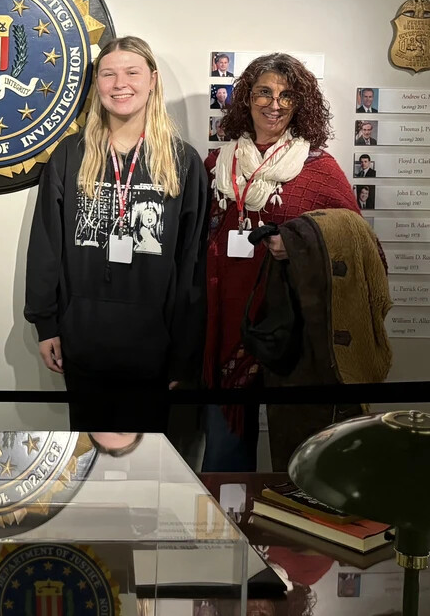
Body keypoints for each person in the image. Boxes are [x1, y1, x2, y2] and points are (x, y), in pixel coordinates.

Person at [25, 36, 209, 433]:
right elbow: (46, 247)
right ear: (97, 84)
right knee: (88, 467)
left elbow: (191, 263)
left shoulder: (183, 163)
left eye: (131, 72)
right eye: (108, 74)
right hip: (83, 343)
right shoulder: (70, 156)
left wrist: (185, 353)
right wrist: (46, 325)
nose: (119, 83)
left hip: (153, 350)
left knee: (145, 476)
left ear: (152, 80)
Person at [201, 53, 364, 471]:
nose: (274, 104)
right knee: (224, 461)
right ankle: (228, 534)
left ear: (301, 104)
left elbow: (361, 245)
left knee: (299, 458)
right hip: (225, 328)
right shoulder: (217, 165)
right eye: (264, 92)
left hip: (292, 331)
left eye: (287, 95)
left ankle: (289, 538)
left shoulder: (318, 169)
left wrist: (300, 244)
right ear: (246, 99)